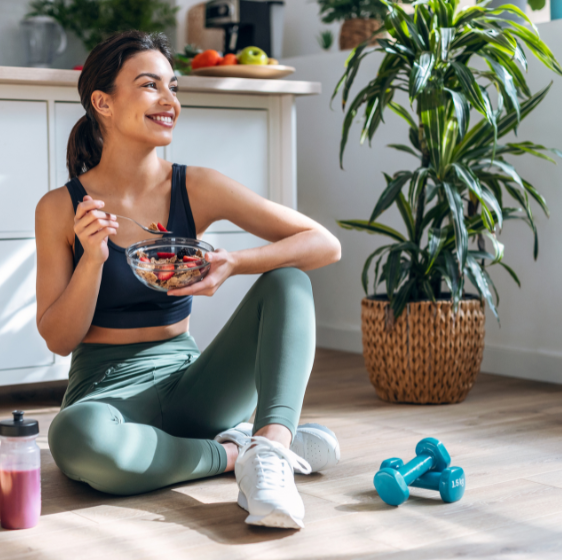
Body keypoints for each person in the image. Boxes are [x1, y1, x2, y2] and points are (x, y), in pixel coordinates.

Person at [35, 30, 342, 530]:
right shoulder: (60, 208)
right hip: (105, 393)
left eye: (172, 87)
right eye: (150, 85)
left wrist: (235, 262)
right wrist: (92, 259)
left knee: (288, 280)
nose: (170, 100)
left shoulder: (195, 186)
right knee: (76, 437)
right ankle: (234, 452)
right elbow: (59, 339)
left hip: (194, 387)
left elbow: (324, 244)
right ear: (103, 102)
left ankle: (271, 450)